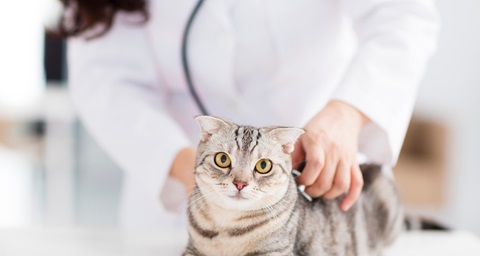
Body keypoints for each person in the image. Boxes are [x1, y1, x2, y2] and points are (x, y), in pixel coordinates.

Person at [61, 0, 439, 229]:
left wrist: (347, 113)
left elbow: (403, 14)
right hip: (174, 215)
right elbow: (105, 79)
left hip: (315, 188)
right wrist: (194, 172)